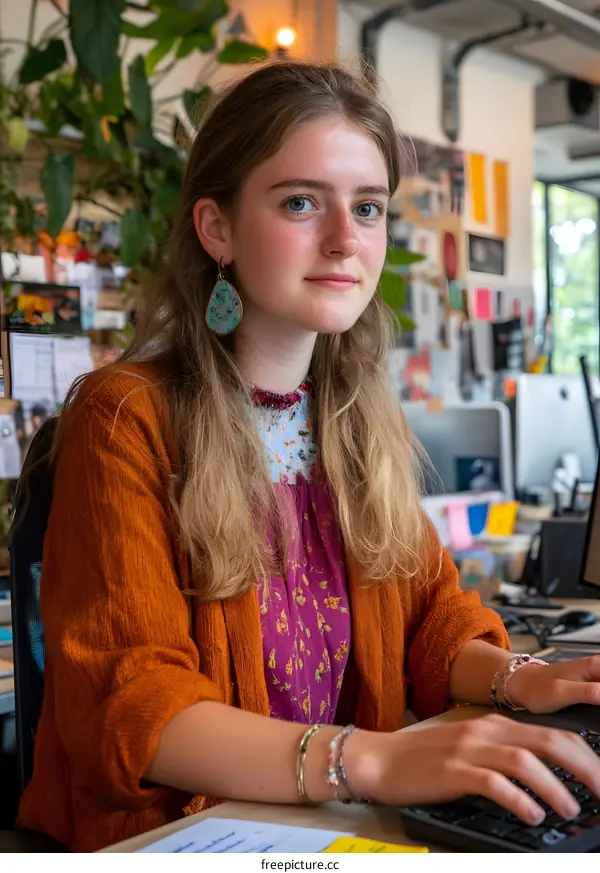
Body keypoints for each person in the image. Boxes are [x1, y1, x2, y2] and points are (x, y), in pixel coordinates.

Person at [17, 61, 600, 852]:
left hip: (334, 826)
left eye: (367, 208)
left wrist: (522, 679)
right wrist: (373, 760)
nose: (344, 240)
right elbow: (134, 705)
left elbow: (434, 616)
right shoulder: (124, 417)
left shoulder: (356, 413)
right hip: (182, 836)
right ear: (216, 227)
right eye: (300, 202)